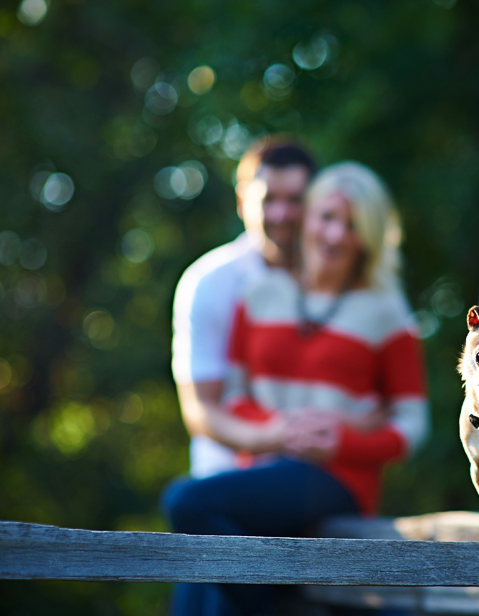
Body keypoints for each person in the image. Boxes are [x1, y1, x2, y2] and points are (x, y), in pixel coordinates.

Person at [163, 162, 430, 616]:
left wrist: (343, 439)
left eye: (352, 225)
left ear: (370, 236)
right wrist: (282, 429)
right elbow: (235, 397)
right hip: (263, 468)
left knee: (187, 501)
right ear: (308, 218)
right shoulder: (260, 293)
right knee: (200, 569)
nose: (335, 235)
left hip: (338, 478)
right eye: (327, 218)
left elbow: (413, 424)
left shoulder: (389, 311)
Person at [171, 137, 317, 479]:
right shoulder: (207, 281)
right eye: (268, 200)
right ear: (241, 201)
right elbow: (199, 408)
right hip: (222, 480)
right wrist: (276, 439)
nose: (281, 214)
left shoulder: (339, 283)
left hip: (319, 481)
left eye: (294, 200)